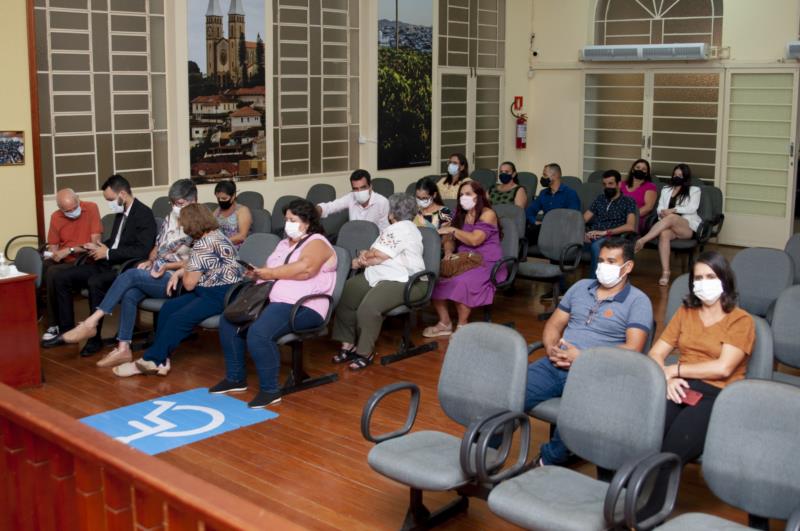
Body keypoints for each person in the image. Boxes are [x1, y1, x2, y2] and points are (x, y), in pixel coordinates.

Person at [525, 238, 653, 466]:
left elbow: (634, 348)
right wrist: (552, 348)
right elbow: (554, 325)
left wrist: (583, 358)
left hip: (597, 374)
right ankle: (487, 456)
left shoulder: (638, 301)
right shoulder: (580, 287)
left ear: (628, 267)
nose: (604, 266)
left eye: (612, 261)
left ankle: (546, 462)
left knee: (577, 414)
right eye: (602, 260)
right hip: (556, 363)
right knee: (506, 393)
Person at [212, 199, 337, 408]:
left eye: (293, 220)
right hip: (271, 300)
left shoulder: (317, 242)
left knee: (259, 332)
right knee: (229, 321)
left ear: (307, 222)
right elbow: (272, 271)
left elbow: (306, 269)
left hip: (304, 306)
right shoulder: (283, 243)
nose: (288, 223)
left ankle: (270, 391)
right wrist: (257, 274)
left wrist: (269, 273)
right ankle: (235, 378)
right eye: (286, 219)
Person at [59, 179, 197, 368]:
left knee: (130, 276)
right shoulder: (170, 218)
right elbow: (158, 247)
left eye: (179, 203)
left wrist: (166, 267)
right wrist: (150, 261)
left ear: (193, 200)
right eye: (172, 203)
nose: (175, 208)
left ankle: (91, 322)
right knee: (130, 293)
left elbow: (197, 261)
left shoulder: (201, 222)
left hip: (178, 278)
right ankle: (123, 347)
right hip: (157, 270)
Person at [112, 204, 243, 378]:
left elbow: (189, 284)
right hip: (211, 289)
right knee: (168, 308)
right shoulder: (217, 235)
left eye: (183, 224)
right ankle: (162, 359)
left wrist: (183, 271)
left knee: (178, 319)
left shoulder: (202, 245)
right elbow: (200, 268)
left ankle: (151, 360)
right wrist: (184, 269)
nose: (182, 227)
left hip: (220, 294)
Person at [648, 251, 754, 465]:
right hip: (680, 385)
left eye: (711, 277)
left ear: (724, 280)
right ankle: (624, 493)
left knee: (673, 449)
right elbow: (656, 353)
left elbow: (723, 368)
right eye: (698, 278)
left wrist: (675, 370)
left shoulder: (741, 320)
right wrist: (668, 379)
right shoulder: (685, 312)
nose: (704, 283)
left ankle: (649, 498)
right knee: (646, 434)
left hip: (718, 393)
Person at [44, 174, 157, 355]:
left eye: (110, 199)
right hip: (109, 261)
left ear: (122, 194)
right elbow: (117, 240)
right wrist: (101, 246)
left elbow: (142, 250)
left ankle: (94, 338)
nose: (109, 204)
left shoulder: (143, 214)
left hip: (125, 267)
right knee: (60, 276)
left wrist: (109, 252)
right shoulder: (121, 212)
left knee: (95, 282)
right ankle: (66, 331)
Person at [331, 193, 426, 370]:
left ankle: (365, 351)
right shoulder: (394, 229)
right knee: (347, 293)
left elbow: (378, 254)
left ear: (392, 214)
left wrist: (365, 257)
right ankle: (348, 343)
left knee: (369, 307)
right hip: (381, 274)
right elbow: (375, 254)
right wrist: (369, 256)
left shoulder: (402, 229)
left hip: (407, 281)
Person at [423, 181, 503, 337]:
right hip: (463, 259)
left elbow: (475, 240)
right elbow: (448, 238)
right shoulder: (458, 213)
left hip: (486, 262)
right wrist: (448, 252)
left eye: (468, 194)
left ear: (478, 196)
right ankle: (444, 322)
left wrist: (453, 230)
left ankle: (462, 325)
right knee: (435, 278)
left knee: (462, 282)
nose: (463, 197)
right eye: (461, 194)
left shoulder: (488, 214)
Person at [40, 189, 102, 342]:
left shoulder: (91, 208)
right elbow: (53, 245)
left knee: (53, 272)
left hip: (85, 259)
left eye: (75, 207)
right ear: (60, 209)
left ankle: (58, 325)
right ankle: (51, 321)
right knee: (45, 267)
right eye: (68, 211)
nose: (73, 212)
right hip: (66, 260)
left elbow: (95, 243)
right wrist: (55, 253)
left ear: (78, 200)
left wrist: (70, 249)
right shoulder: (56, 217)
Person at [635, 163, 702, 286]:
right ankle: (666, 272)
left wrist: (673, 210)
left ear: (686, 177)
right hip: (668, 225)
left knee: (672, 217)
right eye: (675, 174)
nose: (677, 177)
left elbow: (692, 208)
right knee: (664, 234)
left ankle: (642, 240)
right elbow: (660, 208)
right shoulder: (666, 189)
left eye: (680, 175)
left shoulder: (694, 190)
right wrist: (662, 213)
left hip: (686, 227)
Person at [583, 169, 637, 279]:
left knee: (596, 246)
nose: (607, 187)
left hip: (613, 237)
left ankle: (593, 283)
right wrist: (583, 233)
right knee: (564, 240)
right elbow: (583, 219)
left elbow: (630, 226)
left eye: (611, 183)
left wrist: (604, 233)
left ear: (619, 184)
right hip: (594, 234)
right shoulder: (600, 199)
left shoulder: (628, 201)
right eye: (605, 184)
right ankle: (560, 286)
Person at [524, 163, 581, 245]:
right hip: (545, 229)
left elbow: (573, 218)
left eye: (544, 175)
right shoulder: (543, 193)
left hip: (562, 232)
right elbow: (529, 211)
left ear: (555, 175)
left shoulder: (570, 194)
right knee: (523, 231)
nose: (542, 177)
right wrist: (535, 221)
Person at [316, 169, 390, 231]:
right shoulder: (351, 197)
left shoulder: (382, 202)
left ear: (370, 186)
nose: (359, 191)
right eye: (356, 189)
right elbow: (331, 206)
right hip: (353, 238)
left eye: (363, 188)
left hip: (374, 242)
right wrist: (317, 210)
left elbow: (385, 231)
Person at [620, 158, 657, 234]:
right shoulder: (621, 184)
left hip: (636, 219)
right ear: (633, 170)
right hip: (618, 215)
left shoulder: (650, 186)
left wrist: (629, 216)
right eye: (638, 167)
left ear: (646, 173)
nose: (640, 170)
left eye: (644, 169)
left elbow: (648, 207)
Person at [213, 180, 252, 247]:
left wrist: (221, 242)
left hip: (237, 249)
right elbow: (209, 227)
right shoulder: (218, 211)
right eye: (218, 198)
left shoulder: (242, 211)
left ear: (233, 196)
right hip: (221, 247)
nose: (221, 201)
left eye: (224, 198)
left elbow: (242, 236)